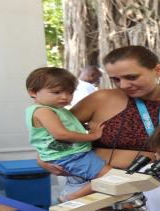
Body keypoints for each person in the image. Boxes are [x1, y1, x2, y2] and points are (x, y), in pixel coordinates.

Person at [37, 46, 160, 199]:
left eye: (132, 77)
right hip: (89, 186)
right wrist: (42, 158)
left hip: (156, 189)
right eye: (116, 79)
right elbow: (51, 131)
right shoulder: (101, 99)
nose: (123, 85)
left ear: (158, 70)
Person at [25, 67, 111, 202]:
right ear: (33, 92)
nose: (65, 97)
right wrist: (92, 136)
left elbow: (66, 128)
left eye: (70, 92)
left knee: (87, 182)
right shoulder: (43, 111)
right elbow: (61, 134)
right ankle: (72, 197)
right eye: (56, 92)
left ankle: (73, 194)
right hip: (71, 156)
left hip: (72, 155)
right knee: (111, 176)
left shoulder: (57, 110)